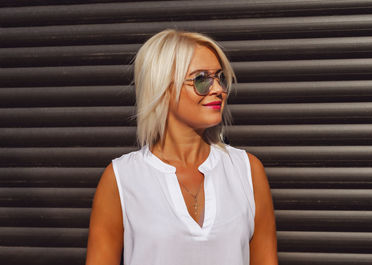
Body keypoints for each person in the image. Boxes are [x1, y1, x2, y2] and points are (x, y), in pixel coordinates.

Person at [85, 29, 278, 265]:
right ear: (163, 88)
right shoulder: (121, 178)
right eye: (201, 80)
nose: (218, 89)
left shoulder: (247, 170)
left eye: (220, 77)